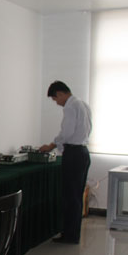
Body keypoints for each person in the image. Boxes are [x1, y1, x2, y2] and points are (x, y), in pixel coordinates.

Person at [39, 80, 92, 244]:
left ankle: (69, 235)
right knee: (76, 195)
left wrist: (51, 145)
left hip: (74, 154)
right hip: (83, 153)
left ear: (61, 94)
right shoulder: (82, 104)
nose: (57, 103)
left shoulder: (70, 106)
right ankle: (73, 234)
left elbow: (67, 133)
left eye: (55, 99)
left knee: (70, 196)